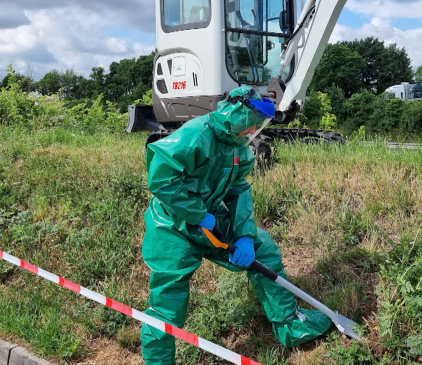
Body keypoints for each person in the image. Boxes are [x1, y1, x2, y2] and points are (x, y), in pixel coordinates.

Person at [140, 86, 331, 364]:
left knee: (262, 247)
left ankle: (289, 325)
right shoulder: (197, 134)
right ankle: (159, 361)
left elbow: (239, 189)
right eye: (252, 119)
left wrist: (243, 235)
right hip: (172, 224)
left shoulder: (239, 147)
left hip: (210, 220)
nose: (254, 128)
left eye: (260, 122)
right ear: (236, 111)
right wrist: (196, 214)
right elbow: (162, 181)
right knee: (168, 299)